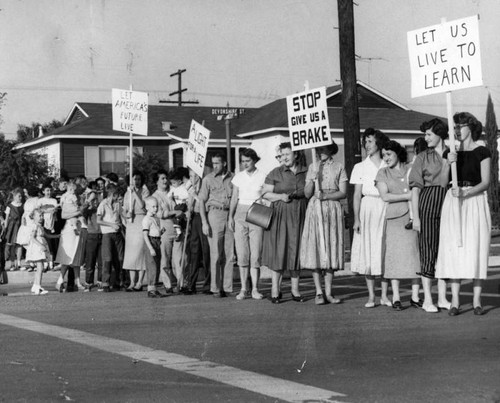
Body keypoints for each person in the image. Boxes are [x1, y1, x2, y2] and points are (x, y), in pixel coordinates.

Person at [436, 112, 491, 316]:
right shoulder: (450, 152)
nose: (458, 130)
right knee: (454, 249)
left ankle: (477, 300)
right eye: (455, 127)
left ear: (471, 127)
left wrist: (466, 192)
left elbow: (486, 182)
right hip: (453, 200)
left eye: (461, 126)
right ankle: (455, 301)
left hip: (474, 200)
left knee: (475, 246)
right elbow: (442, 183)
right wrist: (447, 162)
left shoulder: (482, 151)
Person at [409, 118, 451, 313]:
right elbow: (415, 190)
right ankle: (427, 299)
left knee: (445, 251)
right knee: (428, 250)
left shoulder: (452, 153)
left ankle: (442, 298)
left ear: (440, 134)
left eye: (429, 134)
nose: (425, 138)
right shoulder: (422, 158)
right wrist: (416, 217)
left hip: (448, 203)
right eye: (425, 134)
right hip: (427, 203)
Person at [375, 140, 421, 311]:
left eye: (389, 154)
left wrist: (412, 197)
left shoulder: (411, 169)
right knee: (394, 258)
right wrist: (408, 195)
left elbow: (419, 189)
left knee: (414, 256)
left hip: (412, 217)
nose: (386, 158)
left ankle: (415, 296)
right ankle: (396, 297)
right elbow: (385, 196)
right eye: (384, 155)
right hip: (394, 219)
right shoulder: (382, 173)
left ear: (398, 153)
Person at [300, 141, 347, 305]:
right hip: (315, 209)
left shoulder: (339, 166)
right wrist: (311, 180)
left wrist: (326, 196)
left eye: (323, 148)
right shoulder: (313, 166)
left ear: (331, 149)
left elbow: (343, 192)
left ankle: (328, 292)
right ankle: (318, 292)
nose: (320, 152)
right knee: (316, 248)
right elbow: (307, 194)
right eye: (318, 149)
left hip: (332, 209)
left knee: (330, 248)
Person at [262, 142, 308, 304]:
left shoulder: (306, 171)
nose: (284, 158)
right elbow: (265, 193)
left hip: (300, 213)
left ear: (296, 154)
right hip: (281, 214)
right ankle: (276, 290)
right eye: (282, 155)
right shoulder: (276, 172)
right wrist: (280, 197)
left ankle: (295, 290)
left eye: (287, 154)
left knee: (296, 251)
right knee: (279, 251)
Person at [350, 128, 391, 308]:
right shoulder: (359, 167)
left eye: (370, 142)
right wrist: (357, 219)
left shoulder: (387, 164)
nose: (366, 145)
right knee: (368, 249)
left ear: (378, 143)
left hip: (385, 206)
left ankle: (384, 295)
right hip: (367, 209)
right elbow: (357, 195)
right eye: (365, 142)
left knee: (383, 249)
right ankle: (371, 296)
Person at [229, 148, 267, 300]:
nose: (245, 164)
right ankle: (244, 288)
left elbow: (266, 196)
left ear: (254, 160)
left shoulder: (263, 176)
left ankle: (255, 289)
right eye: (243, 161)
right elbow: (234, 198)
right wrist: (230, 217)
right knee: (242, 253)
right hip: (240, 212)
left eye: (248, 161)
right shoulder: (238, 177)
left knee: (255, 253)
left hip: (257, 211)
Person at [199, 153, 235, 298]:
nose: (215, 166)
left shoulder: (233, 178)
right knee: (216, 253)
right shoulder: (207, 179)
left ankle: (227, 287)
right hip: (214, 214)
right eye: (213, 163)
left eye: (217, 163)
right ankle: (215, 287)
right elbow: (201, 201)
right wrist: (204, 222)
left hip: (230, 214)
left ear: (224, 163)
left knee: (229, 253)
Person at [183, 168, 211, 295]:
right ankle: (191, 284)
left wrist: (195, 195)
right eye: (190, 176)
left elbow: (204, 203)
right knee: (193, 251)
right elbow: (190, 205)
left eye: (194, 176)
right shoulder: (190, 187)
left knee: (206, 251)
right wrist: (189, 209)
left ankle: (208, 284)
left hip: (204, 217)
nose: (192, 179)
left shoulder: (205, 184)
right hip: (194, 218)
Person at [54, 181, 86, 292]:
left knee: (76, 255)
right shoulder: (66, 199)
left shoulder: (74, 199)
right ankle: (60, 280)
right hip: (69, 229)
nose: (73, 192)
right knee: (67, 255)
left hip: (76, 227)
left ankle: (77, 282)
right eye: (71, 189)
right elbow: (64, 215)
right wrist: (77, 213)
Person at [122, 170, 150, 291]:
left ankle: (140, 282)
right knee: (131, 253)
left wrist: (134, 194)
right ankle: (132, 282)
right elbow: (124, 208)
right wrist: (125, 215)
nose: (136, 181)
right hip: (131, 224)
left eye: (138, 179)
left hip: (141, 221)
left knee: (140, 252)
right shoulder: (126, 193)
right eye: (134, 179)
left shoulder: (144, 191)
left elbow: (144, 207)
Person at [96, 184, 125, 292]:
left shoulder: (118, 204)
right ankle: (105, 282)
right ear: (112, 194)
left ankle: (118, 280)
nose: (118, 197)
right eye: (116, 195)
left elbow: (123, 215)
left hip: (117, 233)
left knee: (120, 258)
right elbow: (98, 220)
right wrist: (111, 224)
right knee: (107, 258)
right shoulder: (103, 204)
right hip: (107, 233)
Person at [142, 196, 167, 298]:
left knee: (157, 265)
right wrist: (151, 248)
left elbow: (156, 231)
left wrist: (161, 232)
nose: (155, 209)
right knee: (152, 265)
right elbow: (145, 235)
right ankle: (151, 288)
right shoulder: (146, 219)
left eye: (156, 206)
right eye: (153, 207)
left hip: (157, 241)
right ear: (147, 207)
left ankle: (154, 287)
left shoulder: (155, 218)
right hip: (151, 242)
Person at [25, 208, 50, 295]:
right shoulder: (34, 226)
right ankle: (38, 286)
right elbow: (32, 237)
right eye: (39, 216)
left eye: (42, 215)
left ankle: (35, 285)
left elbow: (46, 235)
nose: (41, 217)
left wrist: (57, 236)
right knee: (40, 267)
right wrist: (41, 245)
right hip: (37, 248)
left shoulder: (40, 226)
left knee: (40, 267)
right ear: (34, 217)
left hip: (40, 247)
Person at [37, 185, 59, 270]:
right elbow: (38, 210)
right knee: (44, 243)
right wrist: (48, 210)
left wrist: (46, 210)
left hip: (52, 223)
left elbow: (55, 210)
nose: (48, 192)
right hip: (43, 223)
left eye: (50, 190)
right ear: (43, 191)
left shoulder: (53, 200)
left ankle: (51, 262)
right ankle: (45, 263)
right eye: (47, 190)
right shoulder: (40, 200)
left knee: (51, 243)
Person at [3, 188, 24, 271]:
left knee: (19, 245)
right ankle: (12, 263)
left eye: (21, 196)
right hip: (12, 227)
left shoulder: (23, 205)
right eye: (19, 196)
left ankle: (18, 263)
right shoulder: (9, 206)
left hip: (20, 226)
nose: (20, 198)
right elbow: (7, 218)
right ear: (14, 196)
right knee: (12, 245)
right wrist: (5, 228)